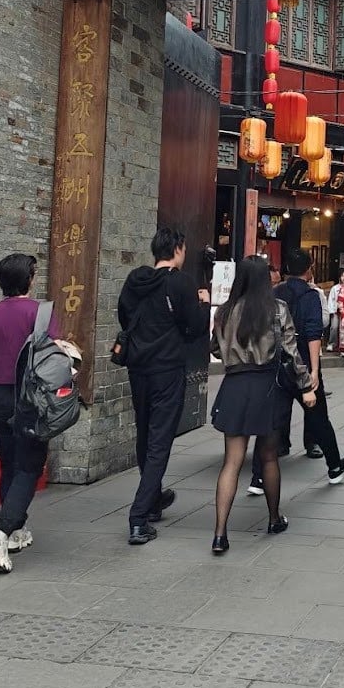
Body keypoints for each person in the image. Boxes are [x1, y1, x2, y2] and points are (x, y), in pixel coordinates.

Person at [211, 255, 313, 553]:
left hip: (234, 386)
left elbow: (216, 349)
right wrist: (306, 386)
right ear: (264, 279)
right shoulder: (277, 309)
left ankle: (220, 534)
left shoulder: (225, 312)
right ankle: (273, 518)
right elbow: (292, 353)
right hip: (267, 386)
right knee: (268, 456)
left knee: (232, 461)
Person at [0, 253, 63, 574]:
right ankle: (1, 533)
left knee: (9, 461)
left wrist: (0, 364)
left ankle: (17, 532)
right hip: (30, 398)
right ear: (30, 278)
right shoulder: (40, 313)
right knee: (29, 467)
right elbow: (54, 355)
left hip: (0, 394)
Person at [117, 226, 211, 545]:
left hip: (137, 366)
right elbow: (195, 327)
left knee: (145, 433)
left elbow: (124, 316)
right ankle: (139, 518)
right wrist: (203, 303)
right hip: (167, 368)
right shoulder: (181, 282)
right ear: (178, 249)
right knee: (160, 440)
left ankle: (153, 498)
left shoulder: (135, 279)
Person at [248, 249, 344, 492]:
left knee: (271, 422)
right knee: (318, 418)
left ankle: (258, 477)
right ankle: (334, 466)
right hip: (302, 364)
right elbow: (313, 333)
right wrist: (315, 370)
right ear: (309, 268)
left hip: (276, 365)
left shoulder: (275, 292)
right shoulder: (311, 295)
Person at [327, 272, 344, 351]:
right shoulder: (335, 288)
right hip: (336, 310)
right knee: (334, 327)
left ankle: (343, 345)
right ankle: (331, 343)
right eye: (342, 276)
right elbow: (331, 300)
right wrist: (331, 311)